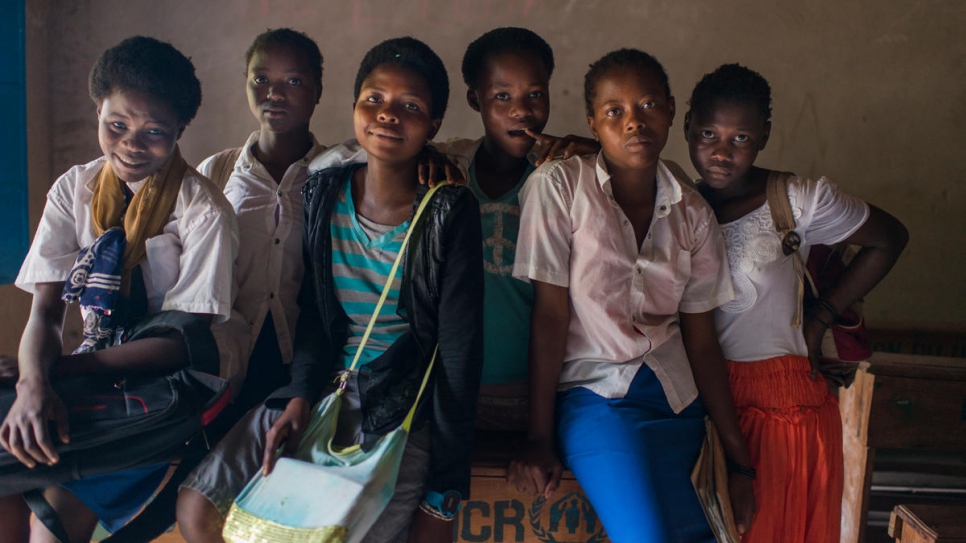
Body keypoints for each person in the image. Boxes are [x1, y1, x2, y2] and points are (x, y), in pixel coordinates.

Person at [176, 37, 484, 543]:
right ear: (354, 106)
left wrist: (445, 490)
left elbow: (459, 354)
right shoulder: (325, 190)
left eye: (411, 107)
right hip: (324, 389)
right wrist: (300, 395)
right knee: (197, 508)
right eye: (374, 99)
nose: (388, 115)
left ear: (433, 127)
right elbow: (318, 318)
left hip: (400, 407)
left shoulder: (449, 211)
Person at [508, 48, 756, 542]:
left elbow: (702, 342)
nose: (634, 122)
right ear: (592, 123)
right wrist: (538, 436)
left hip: (678, 402)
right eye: (614, 111)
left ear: (670, 110)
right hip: (597, 400)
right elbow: (551, 317)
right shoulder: (559, 187)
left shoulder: (692, 210)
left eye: (647, 106)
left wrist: (739, 462)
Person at [0, 36, 237, 543]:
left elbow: (183, 342)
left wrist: (50, 372)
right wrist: (30, 384)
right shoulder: (73, 190)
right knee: (6, 470)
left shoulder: (203, 210)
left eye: (154, 131)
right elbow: (45, 314)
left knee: (49, 528)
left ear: (179, 131)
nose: (131, 143)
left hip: (164, 394)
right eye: (117, 125)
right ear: (98, 111)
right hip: (90, 371)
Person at [683, 63, 908, 543]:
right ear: (686, 127)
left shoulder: (795, 200)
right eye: (708, 133)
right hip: (699, 404)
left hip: (784, 409)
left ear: (763, 136)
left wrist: (821, 317)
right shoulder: (674, 204)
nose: (722, 152)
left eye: (740, 138)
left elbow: (889, 238)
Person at [197, 28, 326, 415]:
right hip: (226, 360)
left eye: (294, 80)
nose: (274, 92)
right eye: (261, 79)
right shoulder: (216, 174)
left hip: (306, 364)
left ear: (317, 89)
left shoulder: (332, 175)